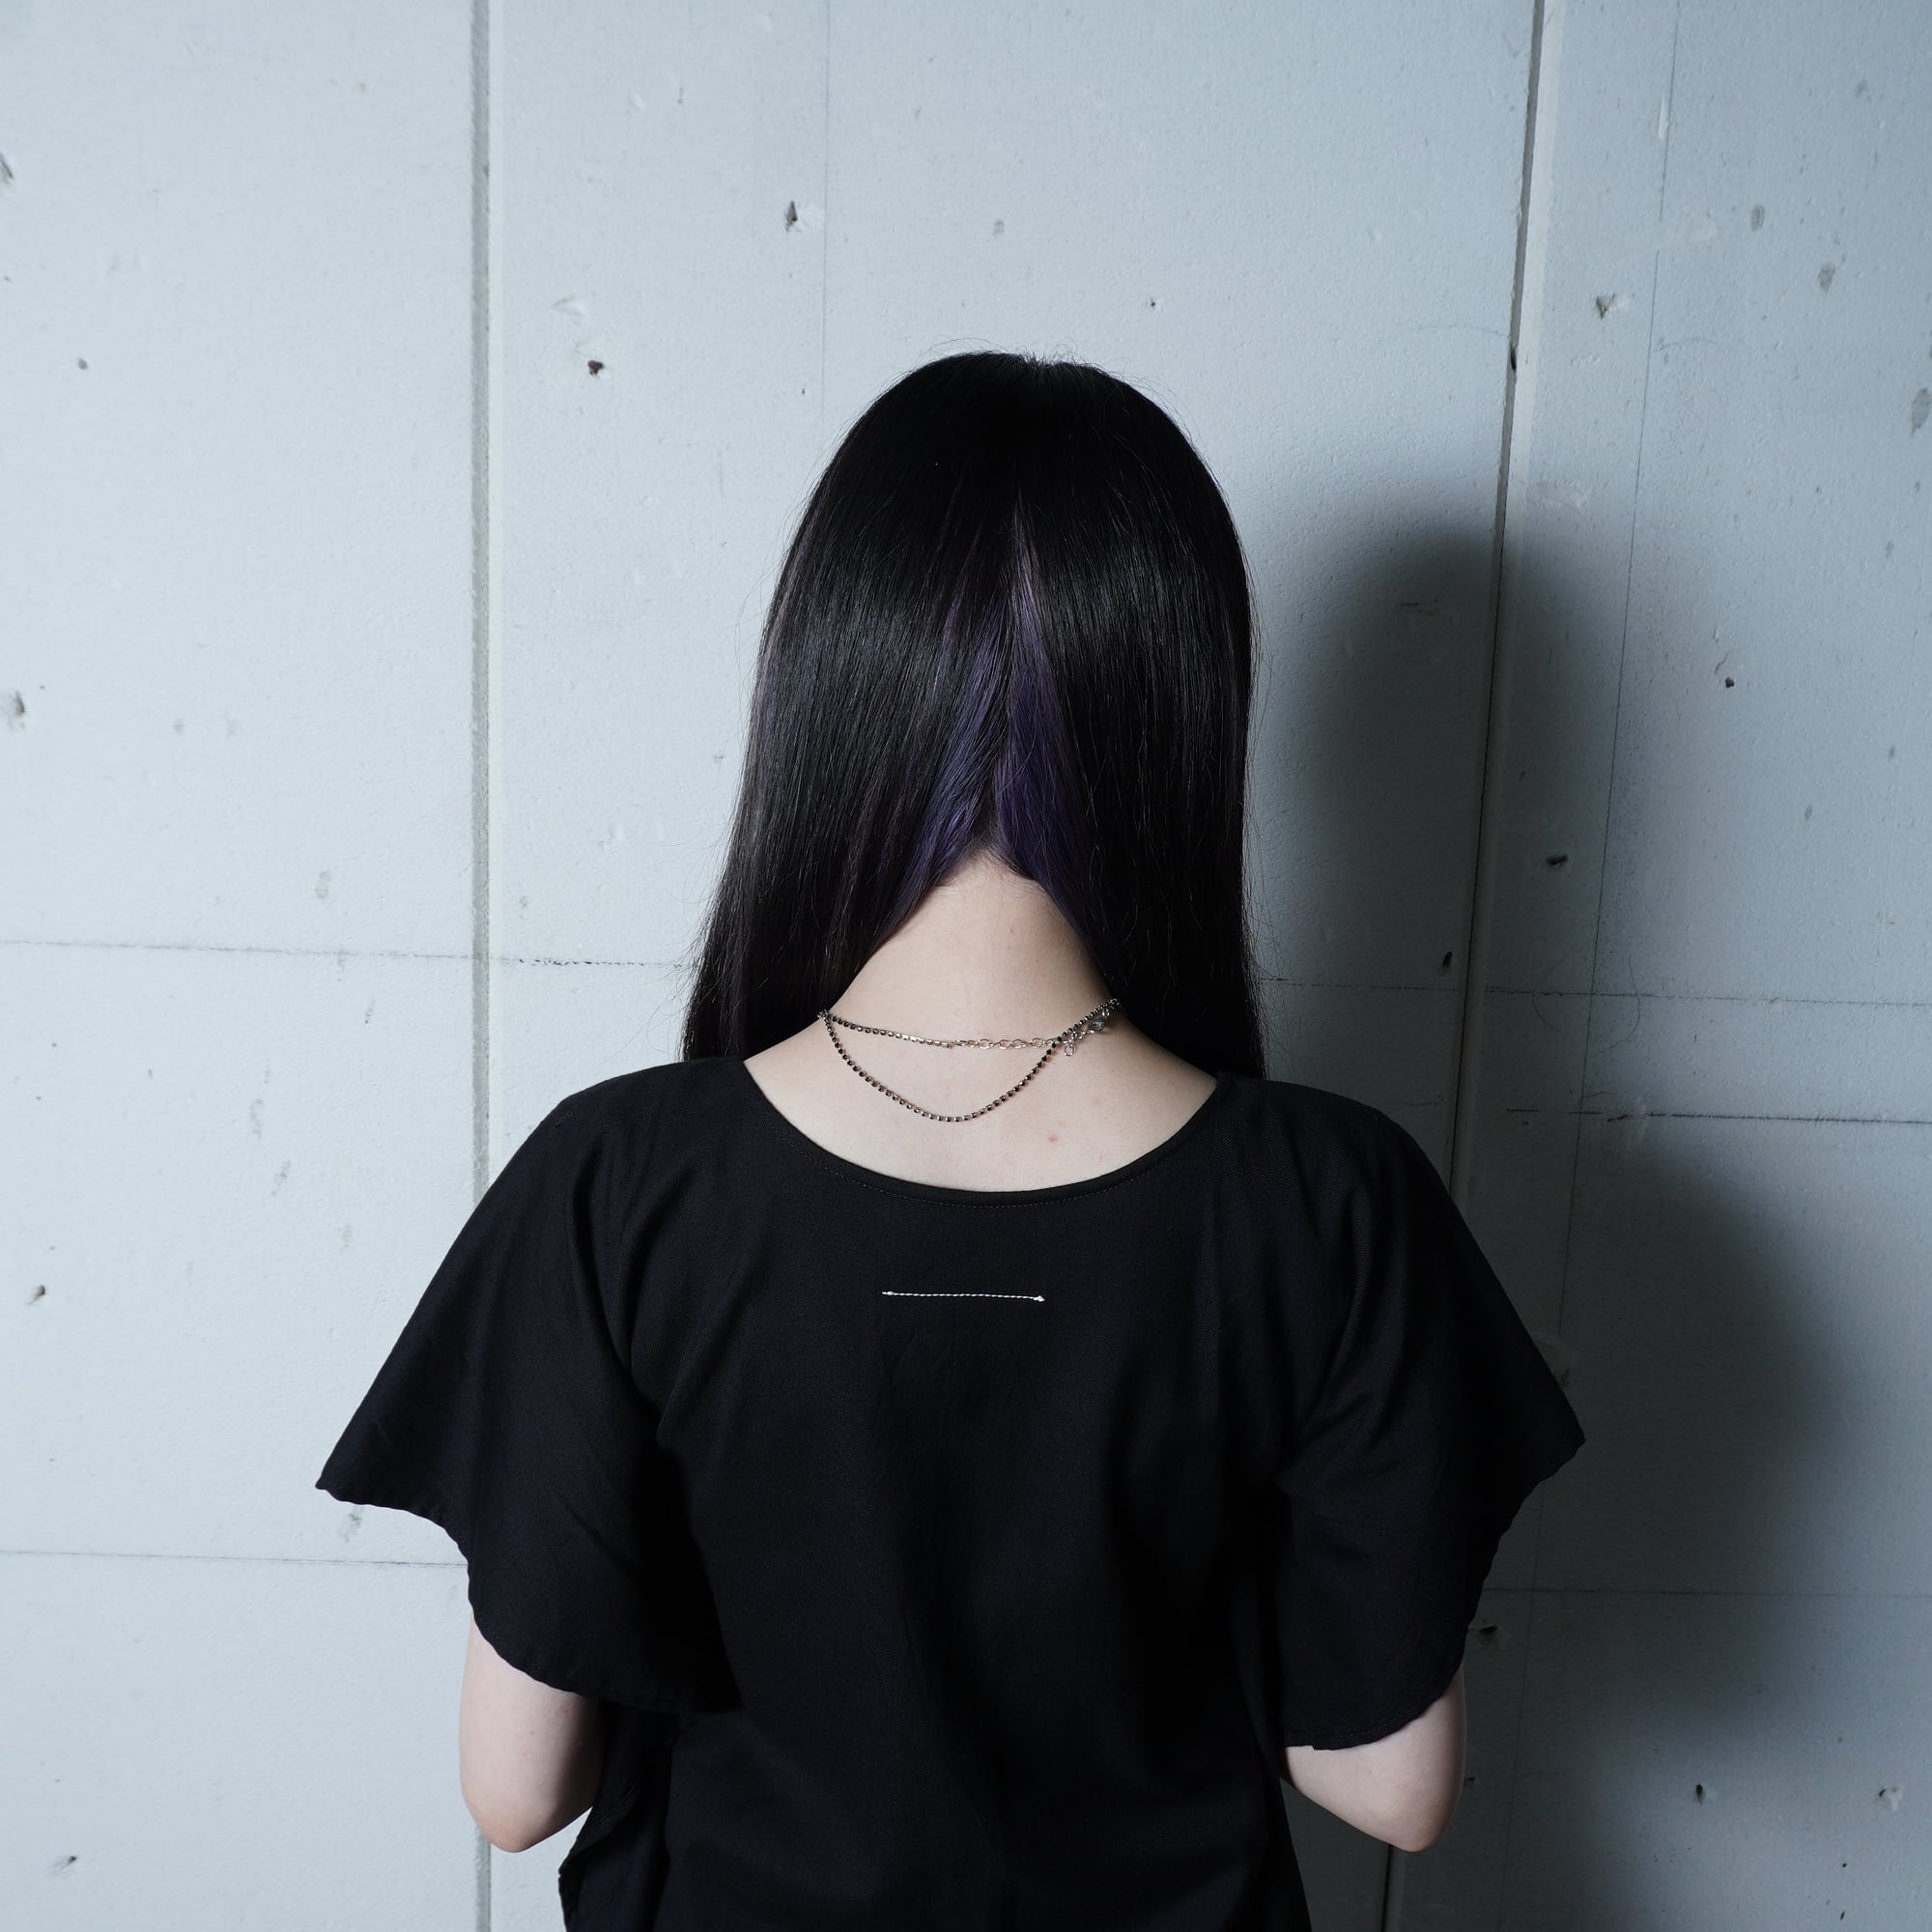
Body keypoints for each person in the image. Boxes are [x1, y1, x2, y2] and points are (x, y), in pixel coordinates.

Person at [316, 350, 1586, 1930]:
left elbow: (519, 1793)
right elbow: (1388, 1782)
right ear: (1180, 716)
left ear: (832, 692)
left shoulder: (621, 1181)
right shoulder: (1331, 1202)